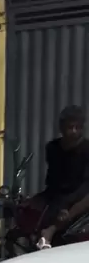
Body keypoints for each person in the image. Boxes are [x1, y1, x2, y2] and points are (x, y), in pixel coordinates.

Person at [37, 106, 89, 248]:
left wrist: (67, 206)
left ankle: (50, 231)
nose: (74, 131)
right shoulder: (53, 148)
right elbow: (53, 179)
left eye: (77, 127)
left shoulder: (86, 149)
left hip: (79, 195)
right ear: (62, 128)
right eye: (70, 127)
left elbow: (86, 184)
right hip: (58, 194)